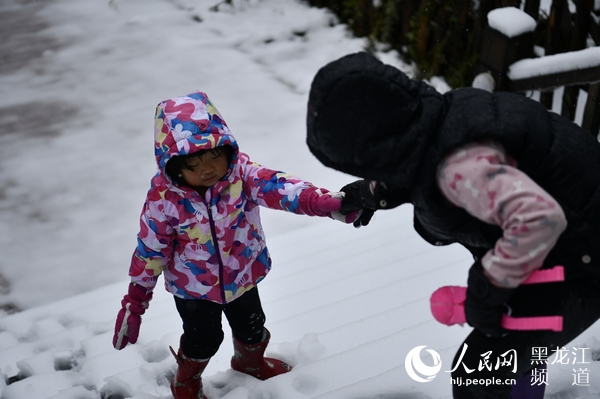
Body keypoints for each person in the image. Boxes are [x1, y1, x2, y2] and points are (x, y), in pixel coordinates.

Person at [305, 51, 600, 398]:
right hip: (566, 238)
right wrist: (366, 194)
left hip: (582, 259)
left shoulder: (461, 169)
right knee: (511, 352)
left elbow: (537, 221)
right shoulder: (440, 119)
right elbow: (412, 163)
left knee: (478, 370)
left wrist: (486, 291)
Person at [112, 91, 359, 399]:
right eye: (194, 163)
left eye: (214, 155)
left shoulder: (241, 175)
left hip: (242, 275)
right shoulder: (164, 201)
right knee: (203, 339)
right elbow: (151, 252)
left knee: (253, 326)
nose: (208, 169)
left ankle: (249, 363)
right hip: (194, 290)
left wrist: (320, 202)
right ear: (173, 165)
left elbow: (278, 186)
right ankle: (186, 381)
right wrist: (135, 302)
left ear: (226, 148)